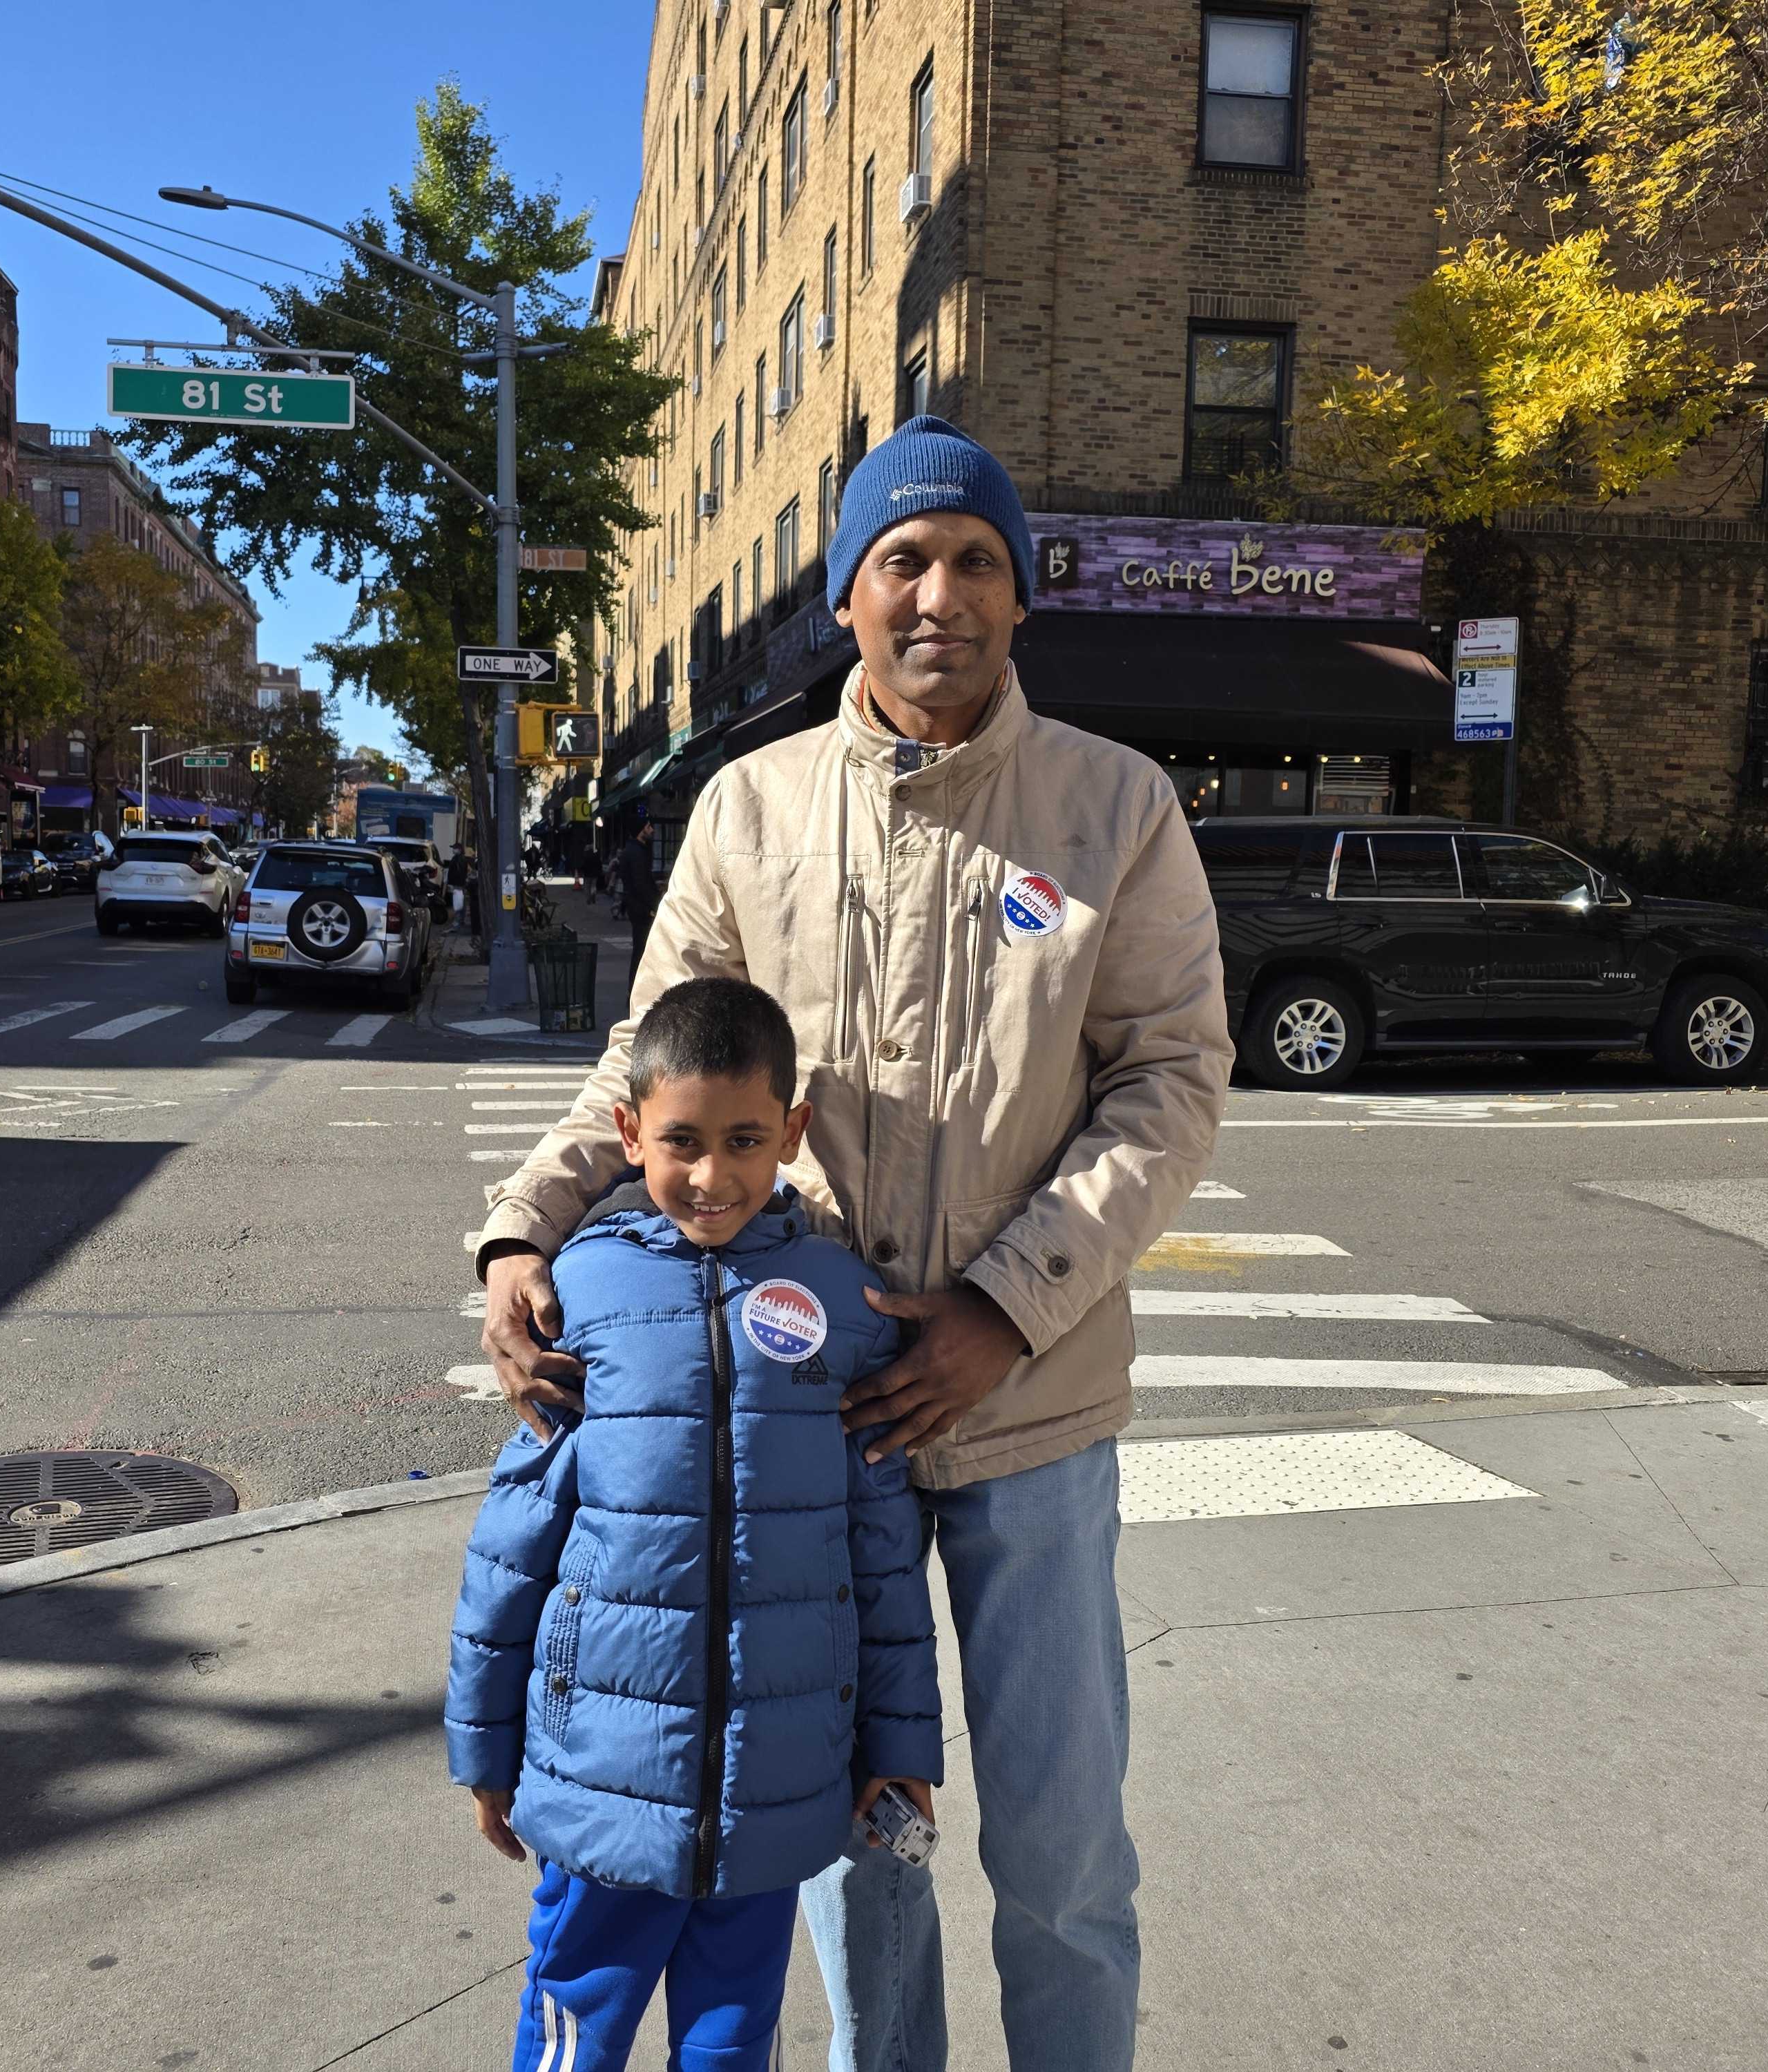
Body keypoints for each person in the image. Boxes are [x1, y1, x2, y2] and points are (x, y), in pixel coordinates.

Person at [473, 415, 1231, 2072]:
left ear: (1020, 596)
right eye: (902, 557)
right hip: (806, 1424)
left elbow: (1170, 1085)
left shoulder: (1115, 807)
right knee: (853, 1848)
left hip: (1024, 1415)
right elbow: (645, 1062)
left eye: (974, 558)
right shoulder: (746, 810)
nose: (938, 590)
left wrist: (1000, 1308)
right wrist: (518, 1229)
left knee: (1056, 1845)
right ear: (849, 596)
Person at [448, 977, 944, 2072]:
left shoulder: (838, 1305)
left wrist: (900, 1745)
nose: (712, 1174)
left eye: (746, 1139)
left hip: (777, 1789)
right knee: (579, 2024)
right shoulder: (579, 1297)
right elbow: (513, 1543)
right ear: (629, 1132)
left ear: (793, 1134)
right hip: (600, 1782)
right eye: (680, 1140)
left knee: (733, 2040)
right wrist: (486, 1748)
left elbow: (882, 1558)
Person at [614, 821, 660, 967]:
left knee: (642, 950)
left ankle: (635, 986)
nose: (651, 830)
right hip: (641, 908)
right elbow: (641, 883)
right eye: (648, 827)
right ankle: (635, 986)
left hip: (637, 906)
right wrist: (654, 906)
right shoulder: (637, 852)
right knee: (642, 951)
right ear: (641, 831)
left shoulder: (635, 850)